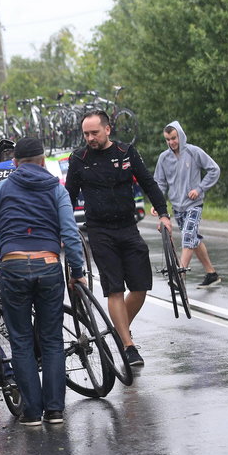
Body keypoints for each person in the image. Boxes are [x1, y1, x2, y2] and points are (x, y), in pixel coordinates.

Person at [0, 137, 87, 426]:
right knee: (51, 340)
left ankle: (32, 413)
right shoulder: (56, 190)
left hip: (12, 268)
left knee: (21, 341)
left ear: (14, 162)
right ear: (43, 158)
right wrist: (77, 271)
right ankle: (55, 410)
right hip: (49, 266)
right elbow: (71, 235)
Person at [65, 110, 171, 367]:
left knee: (140, 287)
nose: (90, 138)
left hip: (128, 227)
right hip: (99, 231)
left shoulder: (126, 152)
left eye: (94, 133)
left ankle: (121, 328)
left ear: (108, 129)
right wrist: (64, 229)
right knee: (114, 289)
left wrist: (164, 214)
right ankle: (128, 345)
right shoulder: (79, 158)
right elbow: (67, 197)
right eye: (86, 134)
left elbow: (148, 182)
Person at [152, 121, 222, 288]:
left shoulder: (193, 151)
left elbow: (214, 169)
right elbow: (159, 183)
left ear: (180, 135)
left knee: (188, 237)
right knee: (194, 240)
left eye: (174, 138)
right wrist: (157, 202)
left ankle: (179, 274)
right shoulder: (164, 158)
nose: (171, 142)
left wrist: (199, 188)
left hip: (194, 204)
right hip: (177, 206)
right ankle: (212, 274)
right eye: (168, 139)